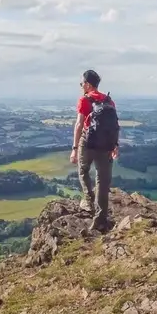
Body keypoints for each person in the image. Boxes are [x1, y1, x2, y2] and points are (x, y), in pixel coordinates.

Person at [70, 69, 120, 230]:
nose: (81, 86)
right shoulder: (109, 101)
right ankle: (101, 218)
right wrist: (115, 145)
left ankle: (89, 201)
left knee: (83, 170)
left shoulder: (85, 100)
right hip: (106, 145)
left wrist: (74, 148)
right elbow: (114, 126)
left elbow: (79, 125)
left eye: (82, 83)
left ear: (88, 84)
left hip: (88, 142)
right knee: (103, 181)